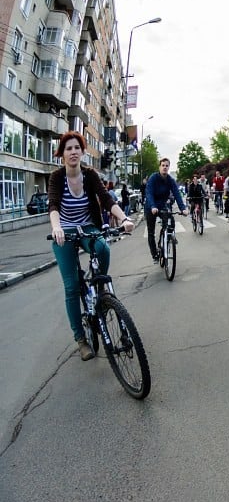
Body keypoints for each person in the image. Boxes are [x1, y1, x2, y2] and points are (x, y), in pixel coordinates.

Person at [48, 131, 134, 360]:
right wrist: (56, 228)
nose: (73, 151)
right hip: (63, 231)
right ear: (62, 154)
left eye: (77, 147)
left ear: (82, 151)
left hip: (87, 226)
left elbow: (106, 199)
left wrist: (124, 218)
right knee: (71, 287)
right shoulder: (57, 177)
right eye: (68, 148)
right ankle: (81, 339)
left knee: (103, 247)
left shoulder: (90, 175)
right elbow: (54, 204)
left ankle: (100, 288)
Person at [145, 157, 187, 263]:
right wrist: (153, 206)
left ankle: (164, 241)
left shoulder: (170, 180)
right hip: (151, 206)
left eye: (167, 166)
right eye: (163, 165)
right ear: (159, 167)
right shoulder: (153, 178)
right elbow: (149, 193)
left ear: (169, 167)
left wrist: (183, 208)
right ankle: (155, 254)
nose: (165, 167)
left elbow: (177, 194)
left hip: (162, 205)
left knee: (170, 222)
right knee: (151, 232)